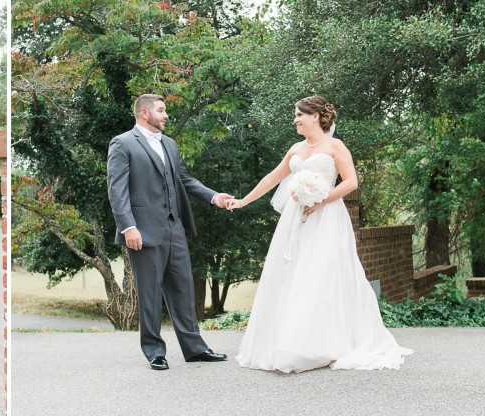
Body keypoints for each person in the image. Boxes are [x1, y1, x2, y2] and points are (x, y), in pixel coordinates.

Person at [227, 95, 413, 372]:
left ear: (315, 116)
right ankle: (291, 342)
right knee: (293, 275)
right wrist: (242, 201)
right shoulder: (295, 148)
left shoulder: (335, 146)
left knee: (321, 274)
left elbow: (351, 182)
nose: (295, 120)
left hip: (327, 218)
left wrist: (321, 199)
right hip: (295, 219)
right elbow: (271, 179)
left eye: (299, 115)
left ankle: (326, 343)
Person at [106, 94, 233, 370]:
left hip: (175, 227)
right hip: (142, 231)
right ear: (143, 113)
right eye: (161, 111)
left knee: (183, 289)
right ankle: (154, 351)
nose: (165, 116)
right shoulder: (123, 143)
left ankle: (195, 349)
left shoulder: (170, 145)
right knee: (150, 293)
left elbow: (183, 179)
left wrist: (214, 197)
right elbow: (117, 190)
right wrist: (129, 227)